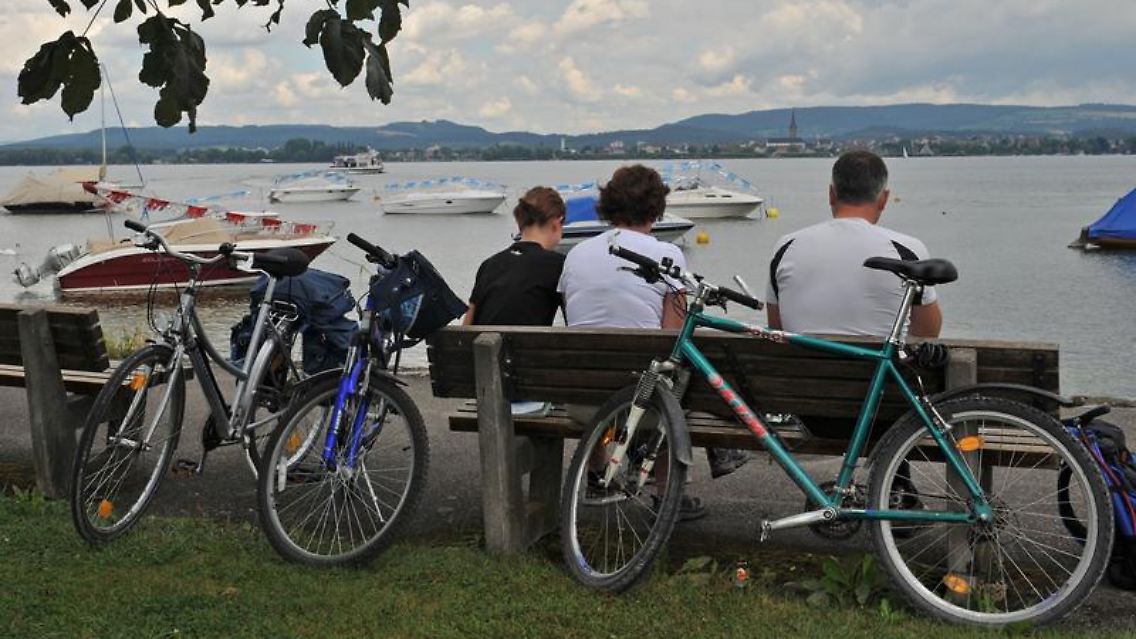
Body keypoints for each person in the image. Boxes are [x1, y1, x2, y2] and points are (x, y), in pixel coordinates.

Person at [558, 165, 746, 522]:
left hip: (582, 401)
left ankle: (599, 479)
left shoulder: (575, 254)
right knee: (669, 374)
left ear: (608, 204)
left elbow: (575, 321)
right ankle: (665, 495)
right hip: (646, 403)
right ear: (657, 208)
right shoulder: (668, 256)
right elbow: (670, 341)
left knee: (617, 370)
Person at [766, 149, 942, 339]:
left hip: (796, 368)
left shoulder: (785, 246)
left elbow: (776, 327)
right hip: (876, 367)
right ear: (884, 199)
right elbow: (926, 334)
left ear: (831, 194)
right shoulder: (909, 250)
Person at [464, 186, 566, 416]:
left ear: (519, 224)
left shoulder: (490, 264)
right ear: (556, 223)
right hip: (529, 392)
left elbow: (466, 326)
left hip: (487, 388)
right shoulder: (558, 264)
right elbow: (576, 324)